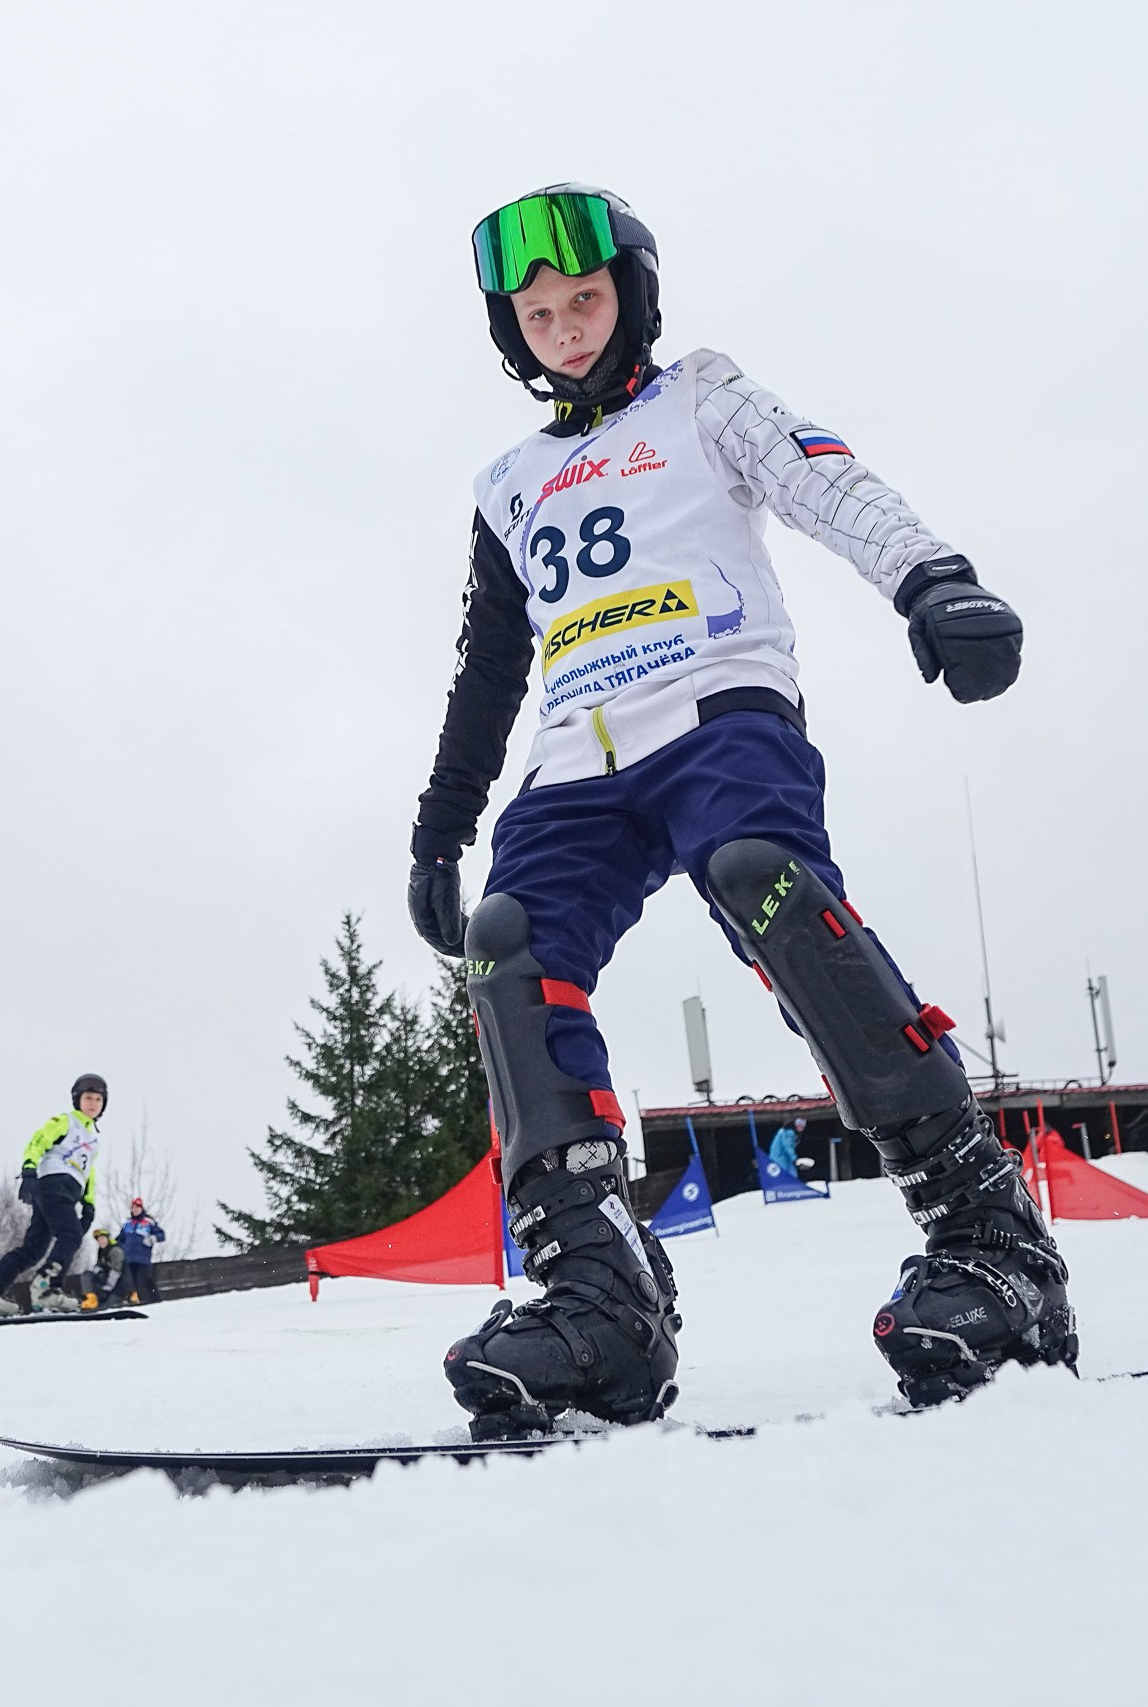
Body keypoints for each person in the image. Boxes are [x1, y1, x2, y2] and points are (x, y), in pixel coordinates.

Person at [406, 186, 1070, 1433]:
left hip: (716, 709)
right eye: (536, 312)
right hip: (575, 757)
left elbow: (828, 481)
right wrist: (440, 829)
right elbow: (486, 668)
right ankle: (599, 1294)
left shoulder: (704, 396)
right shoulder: (507, 485)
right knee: (508, 944)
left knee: (763, 875)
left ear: (633, 296)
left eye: (585, 300)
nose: (563, 327)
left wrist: (934, 582)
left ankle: (994, 1243)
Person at [0, 1074, 112, 1317]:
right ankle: (47, 1288)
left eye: (98, 1099)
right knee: (70, 1235)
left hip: (69, 1192)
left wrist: (89, 1205)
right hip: (52, 1185)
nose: (93, 1103)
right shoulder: (66, 1121)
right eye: (88, 1098)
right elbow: (38, 1141)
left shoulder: (94, 1140)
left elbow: (89, 1173)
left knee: (34, 1248)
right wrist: (29, 1170)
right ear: (77, 1099)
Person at [117, 1198, 167, 1303]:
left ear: (141, 1208)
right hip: (129, 1259)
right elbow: (120, 1239)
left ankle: (149, 1302)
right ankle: (143, 1301)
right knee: (132, 1283)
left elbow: (161, 1234)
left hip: (143, 1259)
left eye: (137, 1207)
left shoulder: (148, 1222)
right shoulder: (127, 1224)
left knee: (143, 1281)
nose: (135, 1210)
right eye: (133, 1207)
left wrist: (153, 1238)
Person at [82, 1228, 125, 1309]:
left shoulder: (115, 1250)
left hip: (117, 1286)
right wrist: (98, 1270)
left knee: (107, 1306)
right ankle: (91, 1299)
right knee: (87, 1275)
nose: (101, 1241)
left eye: (102, 1238)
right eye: (98, 1239)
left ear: (107, 1239)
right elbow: (98, 1266)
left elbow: (116, 1270)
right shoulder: (101, 1251)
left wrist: (108, 1287)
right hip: (104, 1283)